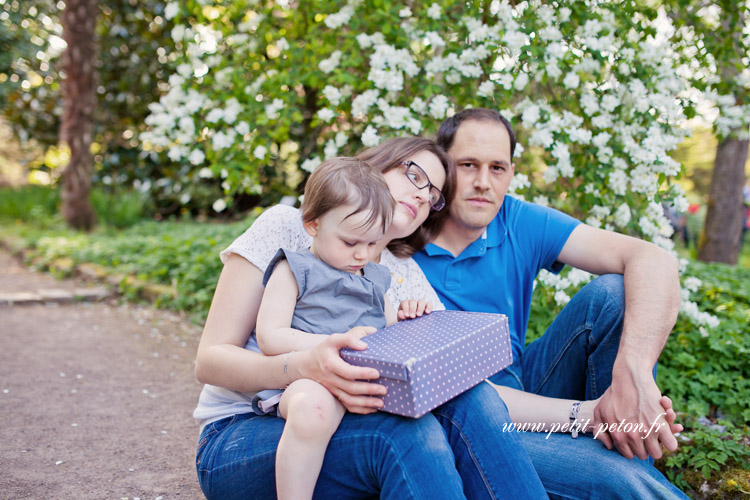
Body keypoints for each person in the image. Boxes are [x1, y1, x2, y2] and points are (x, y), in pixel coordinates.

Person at [193, 136, 549, 499]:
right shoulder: (291, 233)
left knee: (474, 400)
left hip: (350, 417)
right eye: (415, 176)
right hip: (248, 427)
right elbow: (210, 360)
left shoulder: (402, 276)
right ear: (378, 164)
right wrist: (307, 364)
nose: (423, 196)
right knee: (407, 435)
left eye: (434, 195)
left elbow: (444, 383)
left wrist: (413, 329)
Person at [413, 108, 689, 498]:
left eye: (497, 168)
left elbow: (654, 260)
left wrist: (635, 374)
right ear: (441, 168)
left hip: (528, 389)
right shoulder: (401, 236)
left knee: (613, 294)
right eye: (468, 165)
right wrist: (586, 415)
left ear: (511, 172)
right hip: (462, 423)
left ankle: (625, 434)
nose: (482, 183)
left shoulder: (516, 220)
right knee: (614, 478)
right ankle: (618, 463)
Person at [253, 157, 432, 499]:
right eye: (351, 242)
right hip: (311, 380)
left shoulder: (376, 278)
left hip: (368, 386)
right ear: (313, 224)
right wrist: (332, 343)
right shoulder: (295, 269)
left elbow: (391, 329)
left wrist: (410, 316)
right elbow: (269, 336)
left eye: (373, 243)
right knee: (312, 411)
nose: (362, 254)